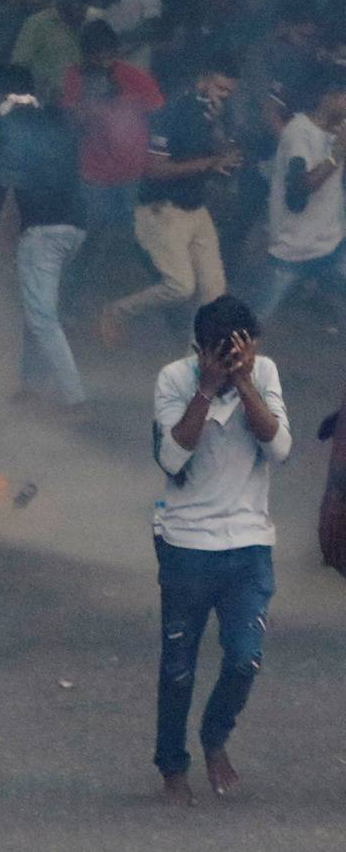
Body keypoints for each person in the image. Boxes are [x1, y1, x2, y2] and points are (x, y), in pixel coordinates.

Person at [149, 296, 289, 805]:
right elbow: (170, 457)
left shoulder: (263, 372)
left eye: (242, 355)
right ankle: (171, 766)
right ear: (198, 351)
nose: (233, 366)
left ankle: (213, 736)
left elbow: (281, 447)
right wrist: (206, 392)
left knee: (244, 660)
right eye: (222, 358)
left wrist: (247, 384)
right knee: (178, 666)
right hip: (186, 544)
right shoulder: (173, 380)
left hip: (250, 545)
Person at [100, 57, 244, 346]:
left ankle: (197, 369)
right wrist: (211, 163)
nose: (224, 96)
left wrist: (219, 135)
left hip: (196, 210)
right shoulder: (173, 112)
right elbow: (155, 169)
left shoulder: (219, 114)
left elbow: (226, 153)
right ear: (202, 80)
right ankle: (115, 312)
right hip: (162, 210)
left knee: (215, 297)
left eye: (229, 92)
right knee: (180, 287)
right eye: (220, 88)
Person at [0, 66, 90, 407]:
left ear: (1, 95)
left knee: (42, 317)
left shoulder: (11, 124)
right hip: (76, 226)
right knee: (38, 308)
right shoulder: (56, 119)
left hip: (44, 229)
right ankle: (31, 384)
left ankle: (75, 400)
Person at [254, 70, 346, 322]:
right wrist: (337, 154)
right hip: (293, 247)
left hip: (331, 243)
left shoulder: (338, 132)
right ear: (330, 97)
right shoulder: (299, 132)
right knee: (256, 318)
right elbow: (299, 188)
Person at [60, 20, 164, 239]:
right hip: (94, 172)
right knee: (90, 231)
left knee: (130, 231)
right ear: (86, 55)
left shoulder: (134, 77)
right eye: (98, 57)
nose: (104, 63)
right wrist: (92, 102)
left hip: (132, 172)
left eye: (109, 56)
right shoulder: (75, 77)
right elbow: (71, 123)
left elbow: (160, 116)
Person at [9, 0, 93, 102]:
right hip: (46, 108)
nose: (84, 7)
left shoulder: (91, 25)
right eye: (79, 1)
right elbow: (18, 69)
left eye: (87, 2)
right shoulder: (37, 24)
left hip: (84, 109)